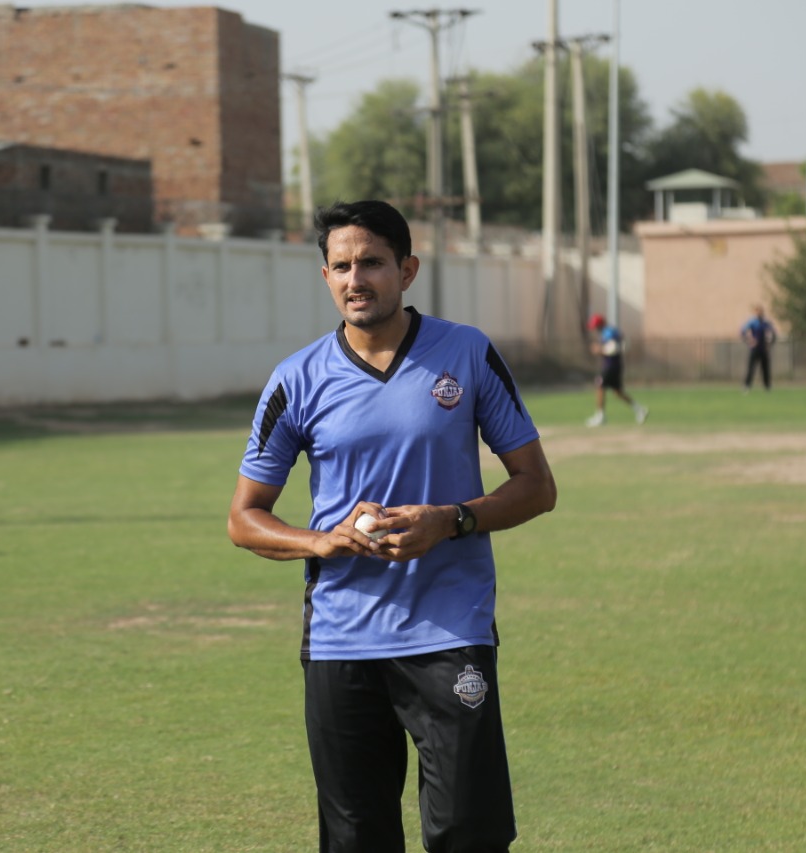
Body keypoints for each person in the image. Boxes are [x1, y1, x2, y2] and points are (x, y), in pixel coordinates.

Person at [227, 199, 557, 853]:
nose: (357, 278)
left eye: (372, 262)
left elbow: (536, 487)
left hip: (450, 630)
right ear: (325, 276)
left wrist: (452, 519)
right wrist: (318, 539)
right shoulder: (296, 379)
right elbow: (244, 517)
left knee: (469, 831)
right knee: (356, 837)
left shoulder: (465, 353)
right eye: (342, 265)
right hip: (342, 638)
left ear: (406, 270)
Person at [584, 314, 648, 427]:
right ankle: (639, 409)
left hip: (611, 366)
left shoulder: (608, 332)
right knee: (617, 392)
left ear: (599, 325)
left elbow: (613, 348)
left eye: (595, 326)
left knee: (599, 385)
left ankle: (600, 416)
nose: (594, 329)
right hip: (615, 366)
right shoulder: (609, 332)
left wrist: (600, 350)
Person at [740, 304, 778, 392]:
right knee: (751, 368)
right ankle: (747, 386)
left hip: (763, 349)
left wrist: (770, 344)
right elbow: (742, 331)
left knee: (765, 368)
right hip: (754, 349)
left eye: (760, 311)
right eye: (757, 311)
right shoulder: (752, 322)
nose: (759, 313)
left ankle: (767, 386)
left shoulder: (765, 322)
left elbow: (773, 333)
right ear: (755, 312)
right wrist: (750, 341)